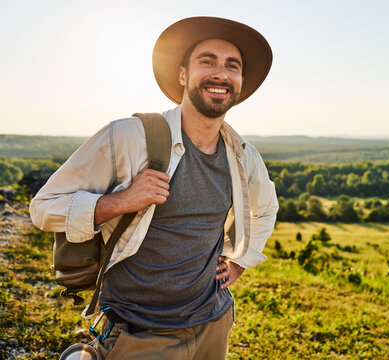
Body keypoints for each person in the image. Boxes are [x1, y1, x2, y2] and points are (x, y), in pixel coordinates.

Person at [30, 16, 278, 360]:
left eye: (231, 66)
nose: (221, 73)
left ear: (239, 82)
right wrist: (121, 201)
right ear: (182, 75)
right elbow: (43, 207)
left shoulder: (242, 155)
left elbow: (266, 208)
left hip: (213, 323)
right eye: (207, 61)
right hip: (139, 333)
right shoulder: (130, 136)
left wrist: (240, 261)